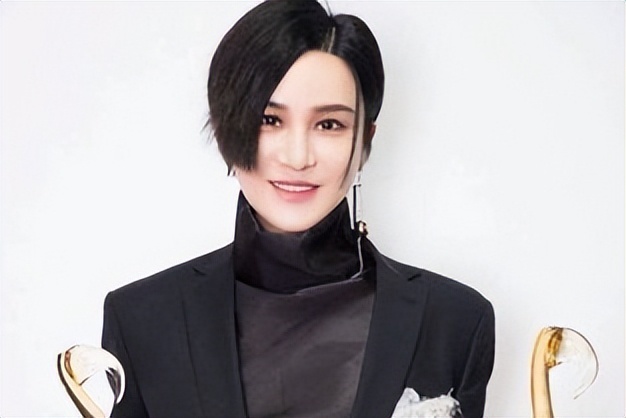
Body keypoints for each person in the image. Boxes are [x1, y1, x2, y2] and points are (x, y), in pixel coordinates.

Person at [101, 1, 495, 417]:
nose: (297, 157)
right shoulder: (141, 321)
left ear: (365, 141)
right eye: (269, 120)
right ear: (224, 128)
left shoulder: (454, 322)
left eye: (329, 125)